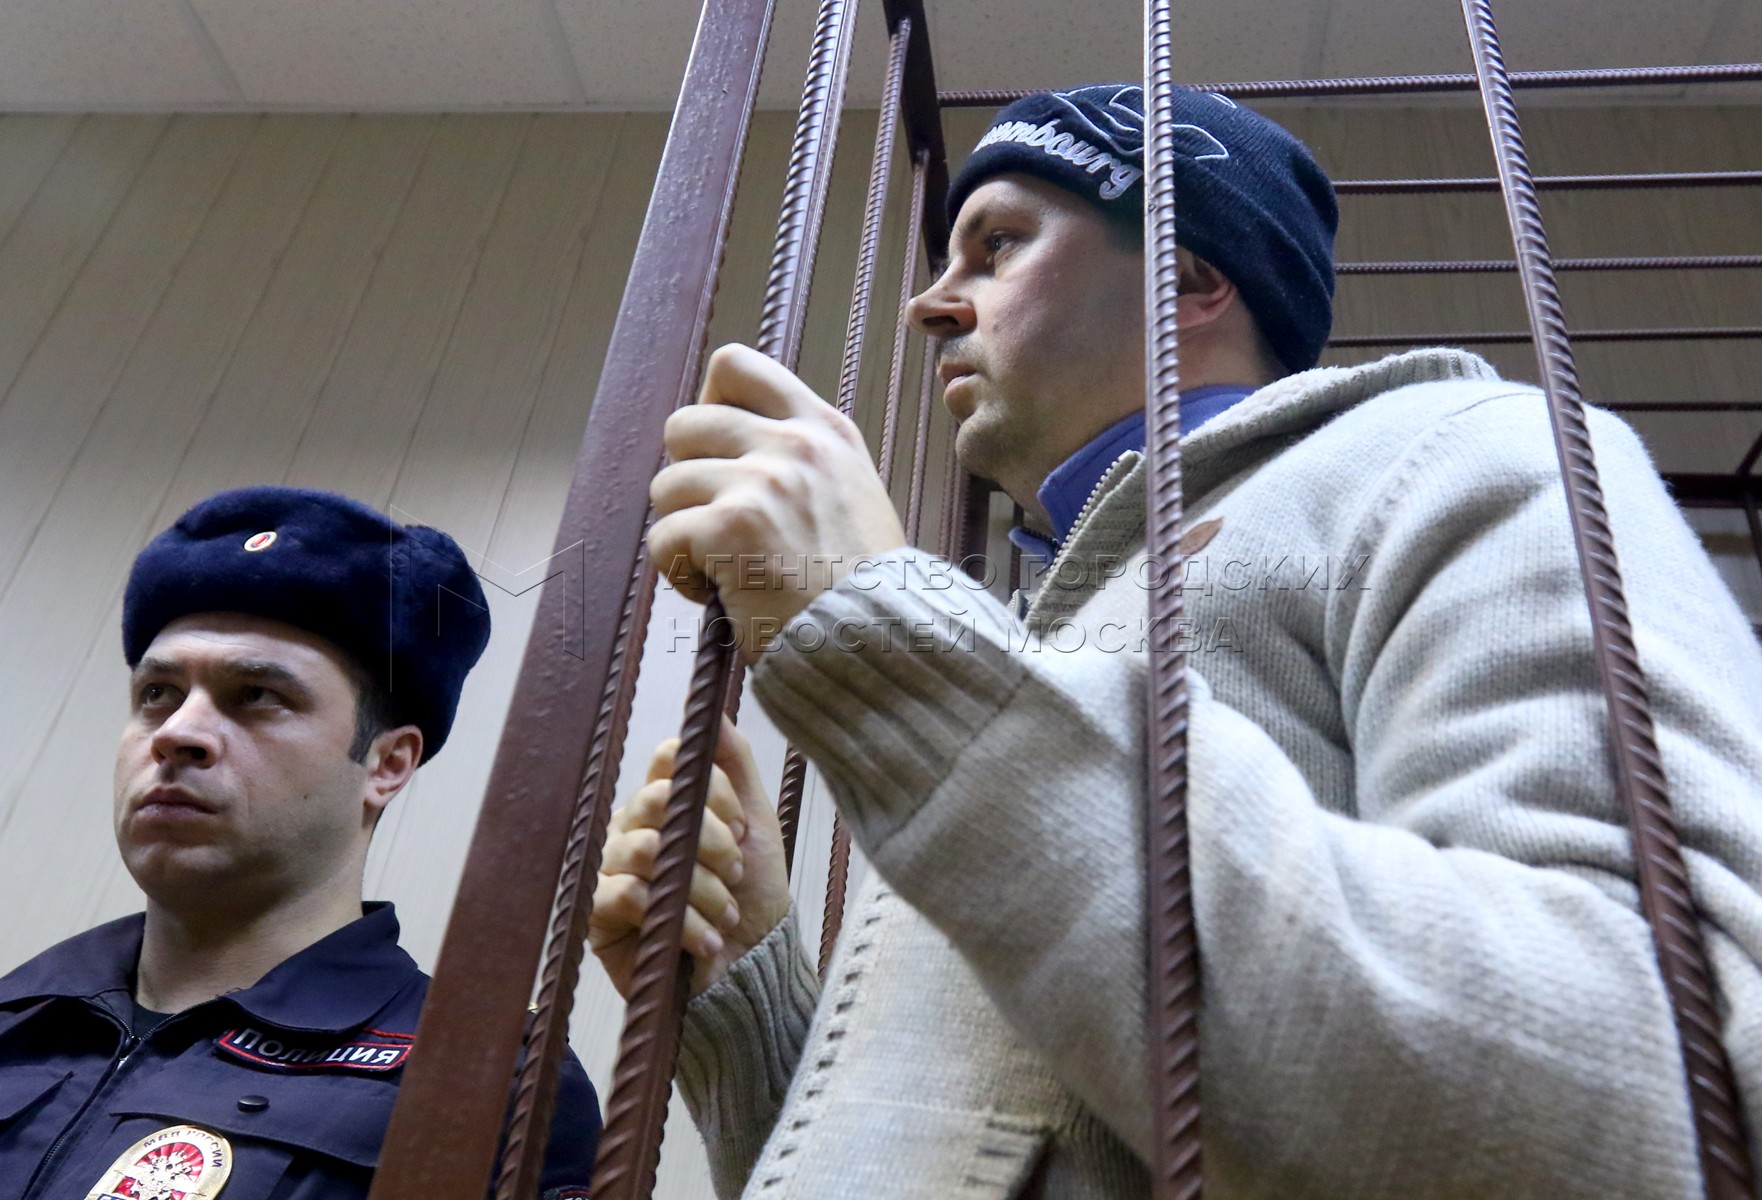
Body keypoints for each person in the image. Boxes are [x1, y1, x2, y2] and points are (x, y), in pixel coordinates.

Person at [590, 83, 1762, 1198]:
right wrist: (744, 997)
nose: (929, 304)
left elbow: (1656, 1106)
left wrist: (887, 632)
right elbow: (1006, 1148)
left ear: (1190, 278)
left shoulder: (1457, 447)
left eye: (996, 246)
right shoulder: (1025, 631)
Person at [0, 486, 600, 1200]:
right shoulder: (18, 1016)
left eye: (256, 695)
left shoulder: (484, 1080)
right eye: (157, 693)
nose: (177, 732)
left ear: (386, 764)